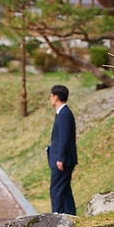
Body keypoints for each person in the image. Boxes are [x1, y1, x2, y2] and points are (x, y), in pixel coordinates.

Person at [48, 84, 77, 215]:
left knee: (56, 190)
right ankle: (70, 216)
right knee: (64, 190)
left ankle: (58, 217)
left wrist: (61, 158)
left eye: (51, 96)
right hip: (63, 159)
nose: (50, 98)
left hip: (62, 161)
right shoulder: (63, 113)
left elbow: (64, 138)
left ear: (56, 97)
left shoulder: (64, 114)